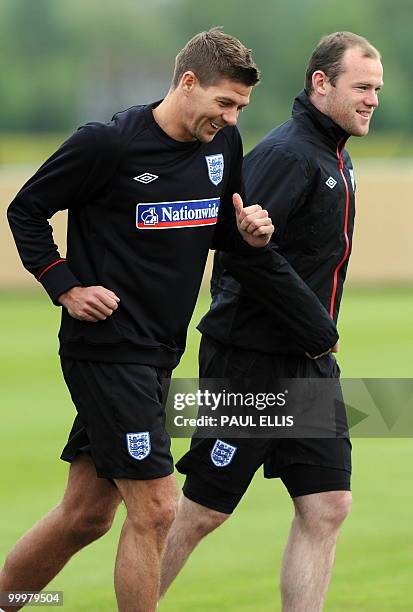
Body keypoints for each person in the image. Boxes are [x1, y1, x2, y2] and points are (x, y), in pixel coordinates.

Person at [2, 28, 279, 612]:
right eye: (223, 103)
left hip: (158, 351)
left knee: (85, 517)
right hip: (106, 348)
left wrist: (249, 233)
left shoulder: (222, 146)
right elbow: (25, 208)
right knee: (155, 509)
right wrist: (65, 285)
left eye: (240, 108)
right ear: (186, 82)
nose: (231, 118)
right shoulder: (107, 144)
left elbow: (219, 228)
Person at [160, 32, 383, 611]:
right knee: (204, 510)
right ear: (321, 83)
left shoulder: (333, 154)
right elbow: (237, 250)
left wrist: (315, 338)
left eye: (376, 89)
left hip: (308, 365)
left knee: (327, 504)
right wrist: (316, 325)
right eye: (361, 87)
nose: (372, 99)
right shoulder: (288, 154)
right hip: (251, 362)